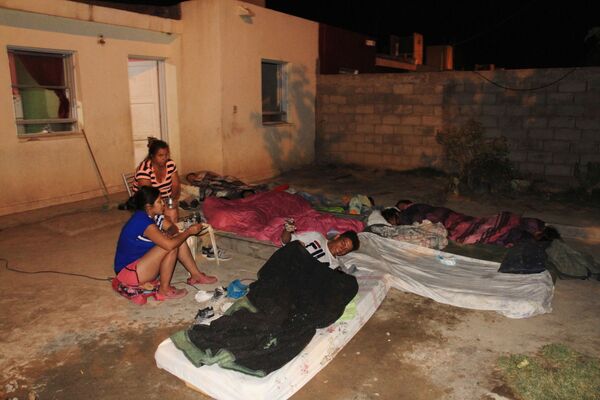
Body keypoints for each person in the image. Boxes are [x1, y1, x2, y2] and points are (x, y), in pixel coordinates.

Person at [114, 186, 217, 301]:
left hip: (141, 265)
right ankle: (164, 290)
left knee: (176, 239)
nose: (163, 204)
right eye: (159, 201)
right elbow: (169, 245)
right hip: (128, 273)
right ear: (149, 207)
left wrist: (169, 233)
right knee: (171, 246)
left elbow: (172, 227)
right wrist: (189, 232)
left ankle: (196, 275)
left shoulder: (153, 215)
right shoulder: (142, 221)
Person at [133, 138, 181, 225]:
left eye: (166, 155)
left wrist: (171, 200)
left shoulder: (170, 164)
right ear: (152, 156)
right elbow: (148, 196)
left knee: (172, 211)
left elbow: (176, 185)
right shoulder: (144, 170)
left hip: (164, 200)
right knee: (170, 215)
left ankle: (170, 234)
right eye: (160, 155)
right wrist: (163, 205)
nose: (164, 158)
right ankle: (165, 233)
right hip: (148, 203)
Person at [280, 218, 360, 269]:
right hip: (289, 263)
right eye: (343, 243)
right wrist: (287, 230)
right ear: (337, 237)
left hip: (302, 275)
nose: (342, 249)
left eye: (346, 250)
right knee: (296, 246)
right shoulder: (317, 236)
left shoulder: (335, 264)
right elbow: (286, 241)